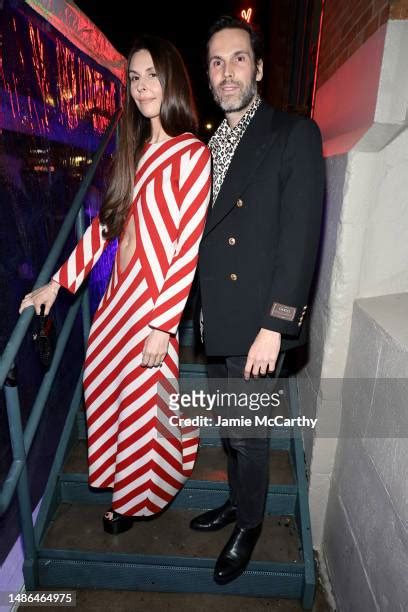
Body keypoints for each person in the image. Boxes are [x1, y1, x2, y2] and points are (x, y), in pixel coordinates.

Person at [19, 35, 211, 534]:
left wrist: (163, 326)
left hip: (153, 303)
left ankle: (133, 501)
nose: (144, 87)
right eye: (135, 78)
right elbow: (105, 227)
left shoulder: (192, 155)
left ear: (171, 82)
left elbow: (186, 249)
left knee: (146, 406)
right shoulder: (137, 149)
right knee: (105, 386)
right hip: (116, 297)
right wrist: (58, 284)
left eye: (152, 76)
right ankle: (119, 479)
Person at [190, 16, 325, 585]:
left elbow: (300, 236)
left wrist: (276, 325)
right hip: (216, 317)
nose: (227, 72)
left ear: (259, 68)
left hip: (256, 326)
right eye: (217, 62)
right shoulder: (208, 143)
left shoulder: (292, 133)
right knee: (229, 427)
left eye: (238, 59)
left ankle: (249, 523)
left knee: (247, 434)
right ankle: (237, 503)